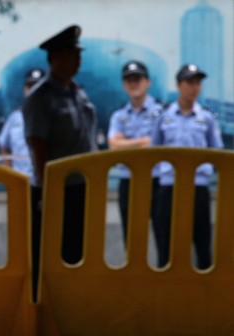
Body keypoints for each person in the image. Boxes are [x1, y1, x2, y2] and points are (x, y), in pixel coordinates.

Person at [22, 24, 97, 273]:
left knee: (76, 254)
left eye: (79, 54)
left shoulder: (77, 92)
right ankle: (42, 308)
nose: (78, 60)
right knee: (48, 255)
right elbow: (38, 145)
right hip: (55, 188)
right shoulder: (40, 97)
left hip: (80, 186)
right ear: (56, 58)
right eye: (72, 54)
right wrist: (49, 191)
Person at [151, 63, 223, 270]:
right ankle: (163, 293)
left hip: (197, 187)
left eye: (198, 83)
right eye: (190, 82)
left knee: (202, 242)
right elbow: (154, 152)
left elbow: (216, 151)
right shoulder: (164, 116)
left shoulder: (207, 118)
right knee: (165, 242)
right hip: (168, 187)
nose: (194, 87)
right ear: (178, 85)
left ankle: (204, 296)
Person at [107, 60, 164, 244]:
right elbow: (114, 146)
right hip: (128, 180)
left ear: (148, 82)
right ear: (124, 85)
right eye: (129, 80)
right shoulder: (119, 115)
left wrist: (126, 142)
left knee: (163, 236)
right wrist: (142, 142)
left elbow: (156, 144)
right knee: (131, 238)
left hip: (157, 180)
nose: (133, 84)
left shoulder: (162, 111)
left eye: (137, 79)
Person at [0, 68, 45, 182]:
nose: (33, 90)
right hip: (21, 182)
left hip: (46, 182)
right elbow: (4, 145)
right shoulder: (15, 118)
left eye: (37, 87)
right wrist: (9, 173)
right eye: (30, 87)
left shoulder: (53, 117)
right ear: (25, 89)